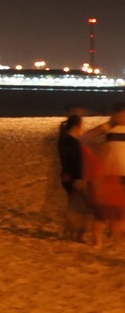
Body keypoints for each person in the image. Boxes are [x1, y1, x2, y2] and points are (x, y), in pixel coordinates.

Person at [83, 105, 125, 246]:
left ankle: (117, 240)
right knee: (105, 209)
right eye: (121, 114)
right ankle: (99, 240)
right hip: (110, 172)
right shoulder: (108, 127)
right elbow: (86, 137)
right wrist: (98, 148)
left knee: (121, 209)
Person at [56, 113, 93, 242]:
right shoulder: (72, 142)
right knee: (81, 207)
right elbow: (74, 162)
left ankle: (69, 233)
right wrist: (78, 178)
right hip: (73, 178)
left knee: (73, 205)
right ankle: (76, 234)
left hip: (66, 177)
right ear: (77, 126)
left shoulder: (63, 140)